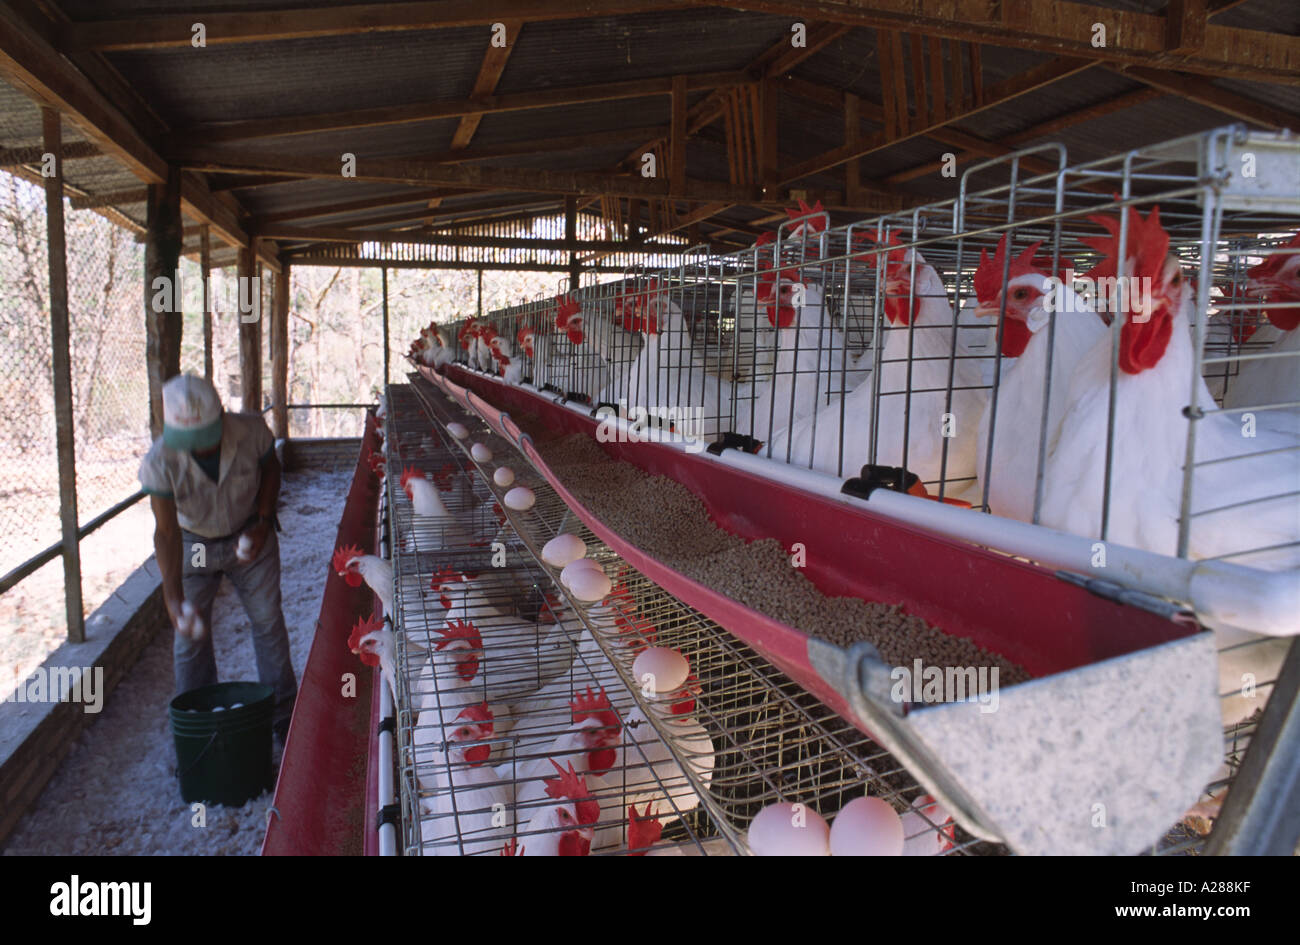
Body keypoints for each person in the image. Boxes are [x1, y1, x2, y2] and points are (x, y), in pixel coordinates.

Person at [138, 373, 296, 742]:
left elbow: (271, 466)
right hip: (194, 543)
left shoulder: (251, 430)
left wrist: (263, 520)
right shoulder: (159, 461)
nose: (200, 450)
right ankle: (196, 724)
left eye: (206, 439)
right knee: (190, 636)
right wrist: (173, 596)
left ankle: (284, 715)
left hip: (248, 532)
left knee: (268, 621)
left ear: (222, 417)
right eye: (190, 442)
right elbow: (165, 532)